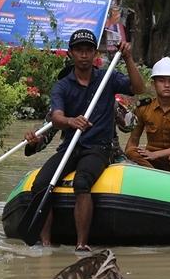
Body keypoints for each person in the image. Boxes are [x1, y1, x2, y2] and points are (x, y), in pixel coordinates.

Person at [31, 31, 146, 254]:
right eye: (79, 50)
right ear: (71, 53)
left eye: (88, 50)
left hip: (99, 147)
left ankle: (82, 243)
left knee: (82, 183)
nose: (84, 55)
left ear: (95, 53)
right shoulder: (62, 86)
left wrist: (128, 58)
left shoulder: (107, 78)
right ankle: (45, 243)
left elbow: (139, 89)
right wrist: (70, 121)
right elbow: (56, 117)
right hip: (70, 147)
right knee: (40, 184)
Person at [124, 58, 170, 172]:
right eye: (162, 81)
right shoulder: (143, 108)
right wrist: (125, 162)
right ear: (153, 84)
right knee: (130, 151)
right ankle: (155, 173)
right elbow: (134, 139)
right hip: (149, 159)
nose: (167, 85)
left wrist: (157, 154)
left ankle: (153, 174)